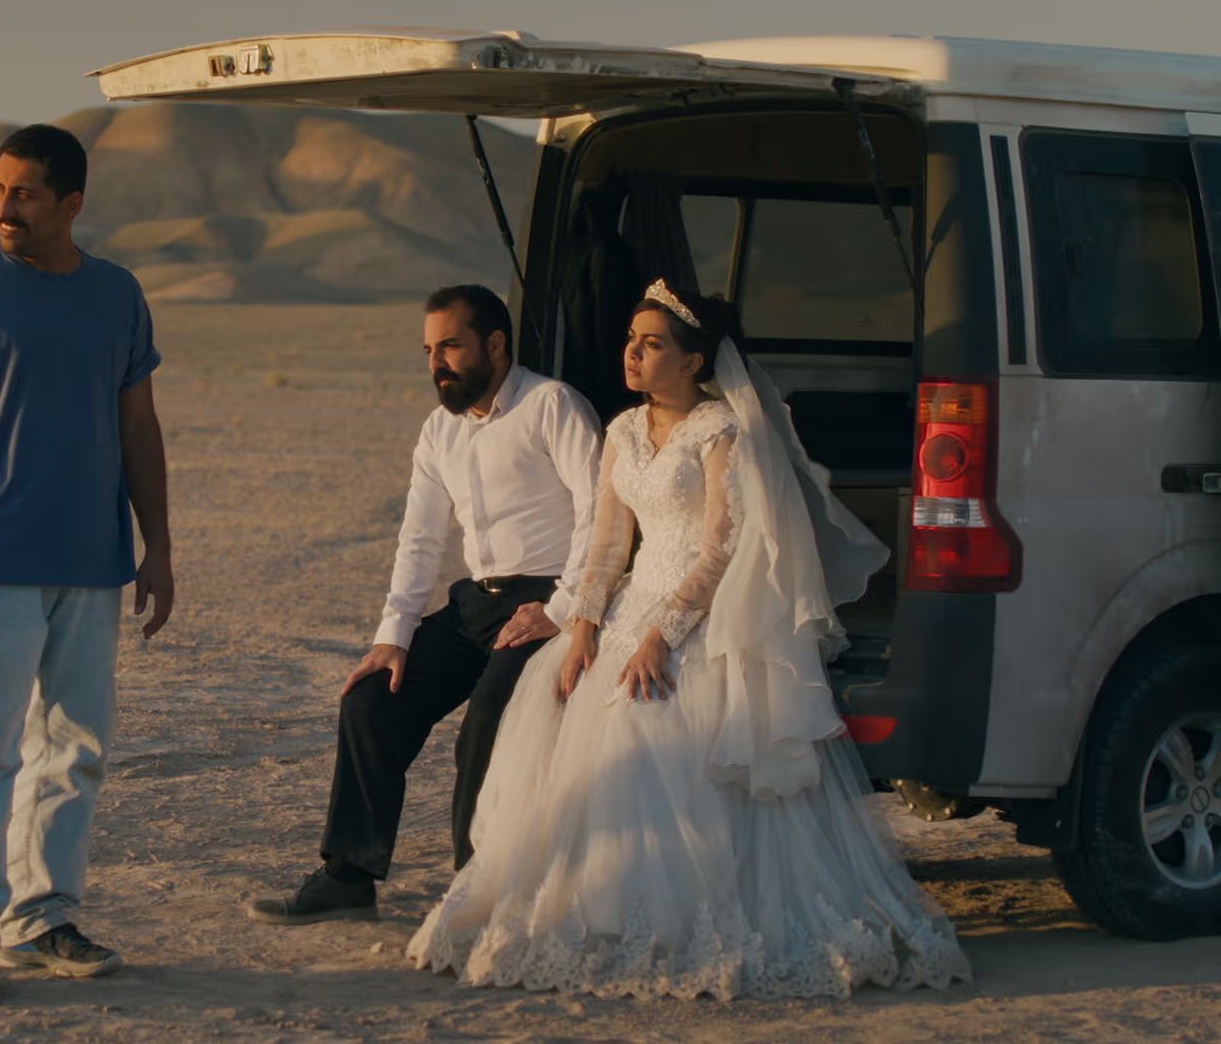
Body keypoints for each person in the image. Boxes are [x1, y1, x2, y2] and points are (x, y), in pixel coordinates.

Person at [407, 278, 971, 999]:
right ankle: (593, 903)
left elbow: (719, 549)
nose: (633, 354)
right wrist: (582, 629)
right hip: (628, 604)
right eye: (630, 342)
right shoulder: (619, 432)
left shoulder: (721, 434)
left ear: (694, 360)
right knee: (567, 705)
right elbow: (608, 546)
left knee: (656, 720)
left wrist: (662, 637)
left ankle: (682, 917)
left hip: (700, 615)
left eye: (652, 344)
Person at [0, 124, 173, 1006]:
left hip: (93, 565)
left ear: (71, 205)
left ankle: (42, 914)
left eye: (22, 194)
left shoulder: (117, 296)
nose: (1, 208)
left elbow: (139, 427)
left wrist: (158, 547)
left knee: (73, 750)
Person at [248, 285, 603, 926]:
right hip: (475, 605)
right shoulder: (440, 429)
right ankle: (348, 878)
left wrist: (563, 606)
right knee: (369, 700)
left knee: (484, 729)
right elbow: (419, 537)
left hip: (546, 602)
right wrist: (395, 635)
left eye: (450, 347)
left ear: (495, 345)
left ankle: (477, 893)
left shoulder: (552, 405)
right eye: (427, 350)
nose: (436, 363)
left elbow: (598, 514)